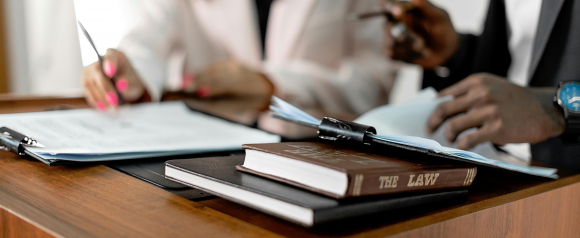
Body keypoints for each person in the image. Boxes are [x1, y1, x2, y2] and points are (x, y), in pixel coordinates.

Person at [81, 0, 398, 120]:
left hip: (318, 153)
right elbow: (150, 34)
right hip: (208, 151)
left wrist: (274, 85)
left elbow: (373, 84)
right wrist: (133, 70)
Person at [383, 0, 580, 170]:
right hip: (502, 168)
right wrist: (456, 55)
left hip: (566, 188)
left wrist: (556, 109)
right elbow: (519, 65)